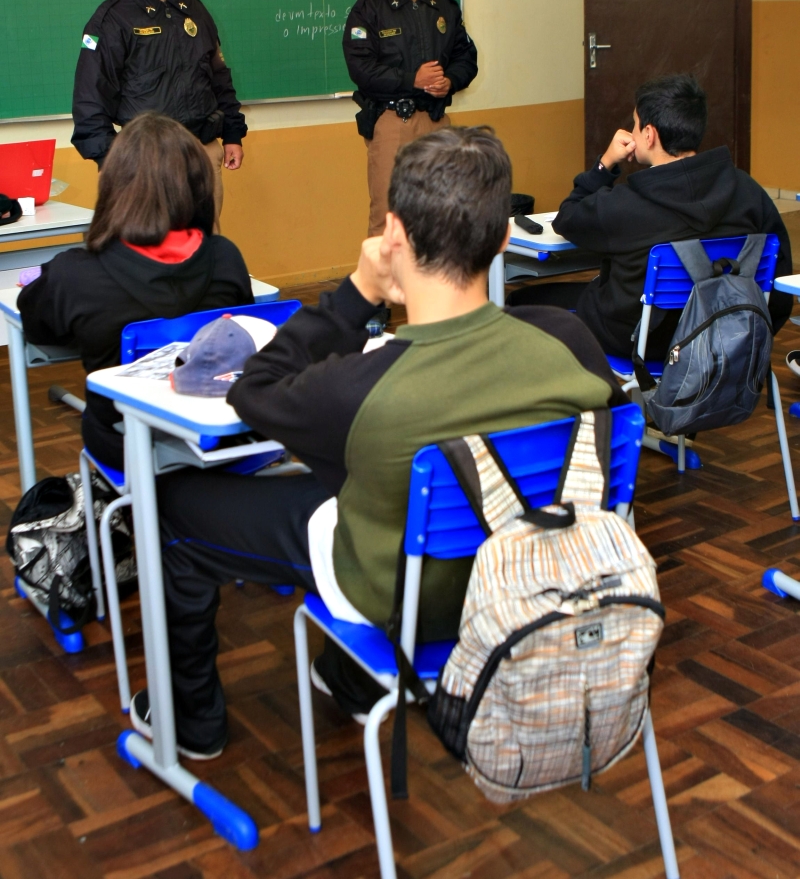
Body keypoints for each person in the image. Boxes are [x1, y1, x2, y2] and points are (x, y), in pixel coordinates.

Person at [131, 126, 628, 759]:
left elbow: (253, 389)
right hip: (542, 581)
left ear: (393, 234)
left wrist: (358, 292)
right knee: (366, 482)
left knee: (172, 504)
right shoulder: (568, 338)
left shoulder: (357, 387)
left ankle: (191, 720)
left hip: (415, 603)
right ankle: (351, 679)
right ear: (505, 236)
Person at [18, 114, 253, 473]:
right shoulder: (226, 258)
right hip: (223, 437)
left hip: (128, 445)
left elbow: (40, 331)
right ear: (197, 184)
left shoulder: (74, 274)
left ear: (114, 185)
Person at [508, 74, 793, 360]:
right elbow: (778, 274)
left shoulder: (626, 204)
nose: (631, 132)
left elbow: (567, 217)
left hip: (641, 340)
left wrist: (605, 163)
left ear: (649, 134)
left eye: (635, 124)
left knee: (520, 300)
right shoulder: (748, 191)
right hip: (725, 335)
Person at [71, 0, 247, 218]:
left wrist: (232, 133)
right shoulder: (112, 19)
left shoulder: (195, 11)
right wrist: (109, 158)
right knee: (147, 244)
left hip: (201, 152)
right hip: (144, 160)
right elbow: (90, 95)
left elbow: (218, 77)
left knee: (205, 243)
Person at [343, 0, 478, 236]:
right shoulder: (369, 9)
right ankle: (386, 272)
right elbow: (360, 68)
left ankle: (433, 271)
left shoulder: (444, 7)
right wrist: (411, 79)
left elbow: (466, 59)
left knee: (443, 214)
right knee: (388, 218)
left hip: (436, 121)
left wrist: (450, 81)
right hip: (393, 122)